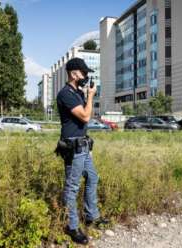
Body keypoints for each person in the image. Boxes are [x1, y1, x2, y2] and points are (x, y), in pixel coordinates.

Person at [56, 57, 108, 245]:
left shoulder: (78, 92)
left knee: (93, 178)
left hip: (84, 146)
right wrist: (92, 95)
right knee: (72, 186)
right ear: (73, 73)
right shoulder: (66, 94)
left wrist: (88, 96)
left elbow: (88, 114)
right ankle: (72, 226)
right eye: (84, 73)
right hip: (73, 146)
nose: (86, 76)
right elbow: (85, 117)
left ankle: (91, 216)